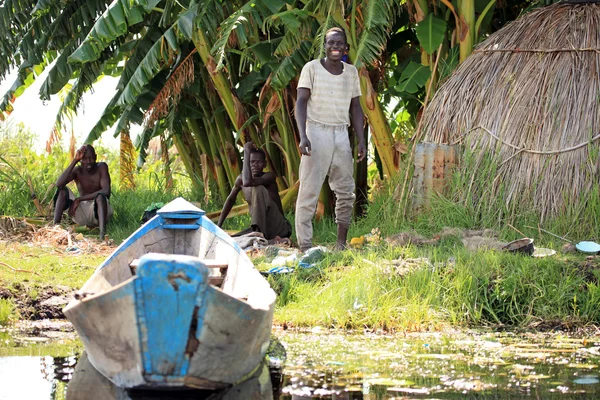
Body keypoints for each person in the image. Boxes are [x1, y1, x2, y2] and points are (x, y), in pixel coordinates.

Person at [294, 27, 366, 252]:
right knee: (309, 191)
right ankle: (305, 246)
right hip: (317, 131)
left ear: (346, 47)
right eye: (330, 43)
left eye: (339, 43)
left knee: (346, 191)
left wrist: (362, 140)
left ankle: (340, 244)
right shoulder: (312, 68)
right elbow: (300, 102)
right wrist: (303, 135)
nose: (335, 47)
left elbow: (356, 107)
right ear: (324, 46)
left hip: (341, 134)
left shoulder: (351, 72)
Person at [217, 142, 292, 243]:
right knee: (231, 240)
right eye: (251, 162)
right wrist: (218, 226)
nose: (255, 165)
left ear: (264, 164)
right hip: (261, 227)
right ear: (247, 163)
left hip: (278, 227)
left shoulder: (269, 177)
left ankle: (260, 238)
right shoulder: (240, 179)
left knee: (258, 189)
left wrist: (247, 151)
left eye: (258, 162)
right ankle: (266, 239)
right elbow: (230, 200)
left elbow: (249, 182)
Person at [53, 144, 112, 239]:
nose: (88, 162)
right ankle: (55, 229)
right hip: (81, 213)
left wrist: (79, 199)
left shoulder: (102, 167)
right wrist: (75, 160)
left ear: (96, 157)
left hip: (97, 211)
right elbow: (59, 184)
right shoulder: (78, 170)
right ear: (80, 160)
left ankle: (102, 234)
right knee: (62, 191)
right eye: (84, 159)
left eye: (91, 158)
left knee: (100, 196)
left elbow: (106, 191)